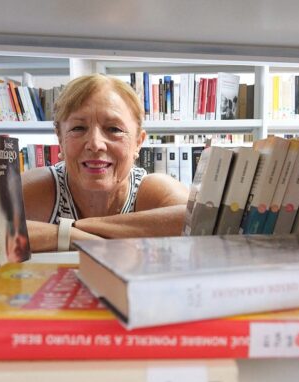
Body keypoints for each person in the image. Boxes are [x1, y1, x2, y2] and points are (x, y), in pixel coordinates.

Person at [22, 74, 189, 252]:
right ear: (60, 140)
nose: (95, 144)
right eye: (78, 128)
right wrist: (67, 235)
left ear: (138, 142)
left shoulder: (151, 189)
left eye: (113, 129)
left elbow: (201, 222)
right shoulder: (40, 187)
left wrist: (73, 228)